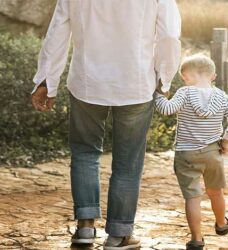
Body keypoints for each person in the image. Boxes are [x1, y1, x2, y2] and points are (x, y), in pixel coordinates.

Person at [30, 0, 181, 249]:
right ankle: (119, 235)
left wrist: (47, 80)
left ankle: (85, 228)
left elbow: (57, 31)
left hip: (87, 84)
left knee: (84, 154)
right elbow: (169, 37)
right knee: (128, 163)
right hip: (136, 84)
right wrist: (164, 79)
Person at [155, 54, 228, 250]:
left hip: (186, 154)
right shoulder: (222, 97)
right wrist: (226, 141)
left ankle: (196, 239)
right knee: (215, 192)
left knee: (192, 197)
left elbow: (167, 109)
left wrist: (159, 94)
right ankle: (222, 224)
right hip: (213, 152)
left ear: (186, 76)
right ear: (213, 76)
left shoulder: (184, 93)